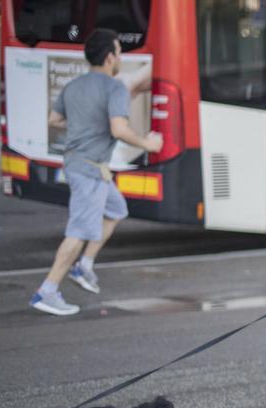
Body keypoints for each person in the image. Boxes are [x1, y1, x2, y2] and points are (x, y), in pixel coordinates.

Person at [31, 28, 163, 316]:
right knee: (78, 232)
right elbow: (119, 129)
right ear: (109, 57)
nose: (120, 57)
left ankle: (84, 266)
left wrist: (84, 125)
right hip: (89, 171)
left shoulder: (74, 86)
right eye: (118, 52)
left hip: (84, 165)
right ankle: (47, 291)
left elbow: (54, 120)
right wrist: (148, 143)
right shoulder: (114, 87)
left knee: (116, 209)